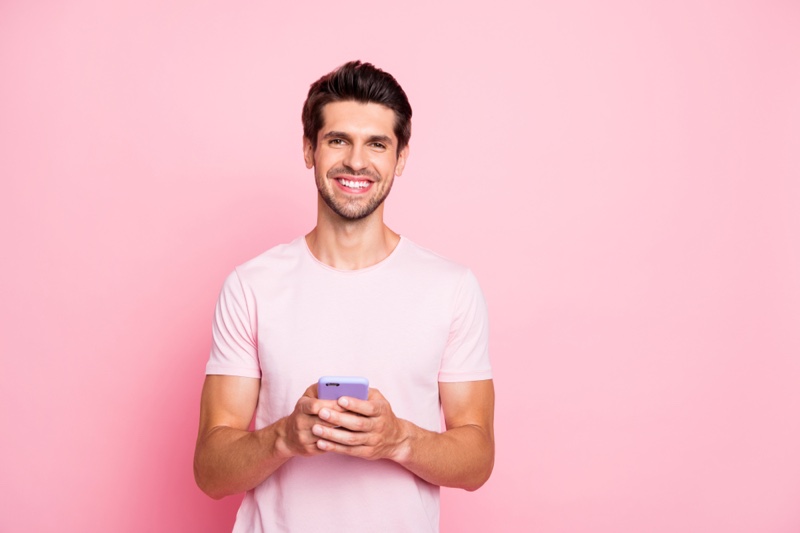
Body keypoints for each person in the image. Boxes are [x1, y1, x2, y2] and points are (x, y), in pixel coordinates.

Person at [194, 60, 494, 533]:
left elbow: (477, 461)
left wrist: (397, 440)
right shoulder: (252, 285)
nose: (357, 161)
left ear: (401, 158)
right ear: (309, 149)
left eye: (377, 143)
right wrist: (283, 438)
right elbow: (211, 472)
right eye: (339, 140)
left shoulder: (450, 288)